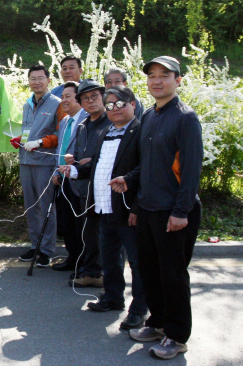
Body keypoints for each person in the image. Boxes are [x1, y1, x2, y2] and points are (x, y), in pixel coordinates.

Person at [111, 56, 202, 360]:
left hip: (172, 211)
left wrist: (181, 211)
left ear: (178, 81)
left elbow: (190, 171)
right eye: (151, 76)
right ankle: (158, 323)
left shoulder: (185, 118)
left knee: (173, 275)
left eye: (164, 75)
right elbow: (145, 166)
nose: (157, 81)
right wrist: (130, 185)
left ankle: (177, 336)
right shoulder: (149, 115)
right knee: (150, 272)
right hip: (148, 208)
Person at [60, 85, 147, 330]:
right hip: (102, 207)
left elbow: (146, 171)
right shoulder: (106, 131)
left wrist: (137, 208)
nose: (114, 109)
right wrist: (74, 170)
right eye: (110, 105)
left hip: (127, 208)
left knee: (138, 262)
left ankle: (139, 309)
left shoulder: (140, 131)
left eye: (120, 103)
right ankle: (113, 297)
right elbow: (96, 166)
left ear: (132, 104)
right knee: (109, 258)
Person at [11, 65, 66, 267]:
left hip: (45, 162)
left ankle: (47, 250)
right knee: (31, 206)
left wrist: (41, 142)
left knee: (46, 207)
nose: (37, 82)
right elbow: (27, 131)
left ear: (48, 80)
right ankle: (35, 245)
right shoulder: (27, 105)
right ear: (29, 81)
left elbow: (62, 134)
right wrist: (21, 139)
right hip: (26, 161)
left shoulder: (58, 104)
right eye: (33, 78)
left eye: (40, 78)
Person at [64, 79, 112, 288]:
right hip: (83, 188)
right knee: (87, 234)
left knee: (103, 235)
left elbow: (115, 157)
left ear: (103, 97)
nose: (91, 102)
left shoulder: (111, 122)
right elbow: (78, 153)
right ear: (81, 103)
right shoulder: (83, 126)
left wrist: (92, 162)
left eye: (94, 97)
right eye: (85, 99)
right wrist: (71, 160)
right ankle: (91, 270)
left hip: (104, 190)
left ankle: (101, 273)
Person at [51, 81, 86, 272]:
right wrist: (57, 171)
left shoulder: (88, 119)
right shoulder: (64, 121)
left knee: (80, 223)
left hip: (80, 179)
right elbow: (60, 148)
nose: (63, 100)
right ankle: (72, 258)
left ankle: (84, 263)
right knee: (67, 223)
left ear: (79, 98)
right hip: (63, 178)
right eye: (62, 97)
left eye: (68, 97)